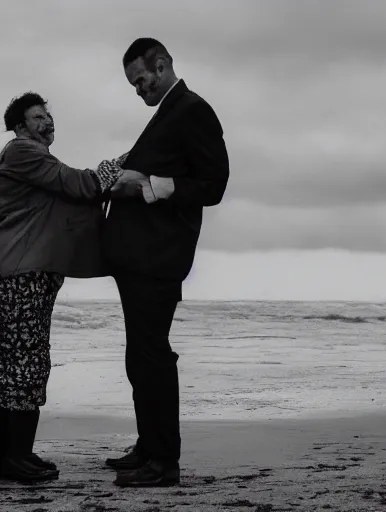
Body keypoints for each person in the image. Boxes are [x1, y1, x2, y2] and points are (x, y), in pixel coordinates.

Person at [101, 38, 230, 488]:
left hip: (158, 257)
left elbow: (214, 183)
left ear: (161, 65)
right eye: (133, 84)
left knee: (152, 355)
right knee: (140, 356)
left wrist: (149, 186)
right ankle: (147, 447)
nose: (137, 90)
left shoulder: (193, 109)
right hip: (139, 257)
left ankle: (164, 462)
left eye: (140, 80)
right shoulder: (167, 112)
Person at [0, 92, 144, 482]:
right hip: (20, 275)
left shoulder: (31, 159)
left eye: (48, 115)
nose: (47, 122)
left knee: (23, 363)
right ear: (19, 127)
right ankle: (13, 458)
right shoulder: (21, 152)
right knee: (24, 364)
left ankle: (16, 454)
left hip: (28, 272)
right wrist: (124, 161)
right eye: (37, 117)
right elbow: (81, 184)